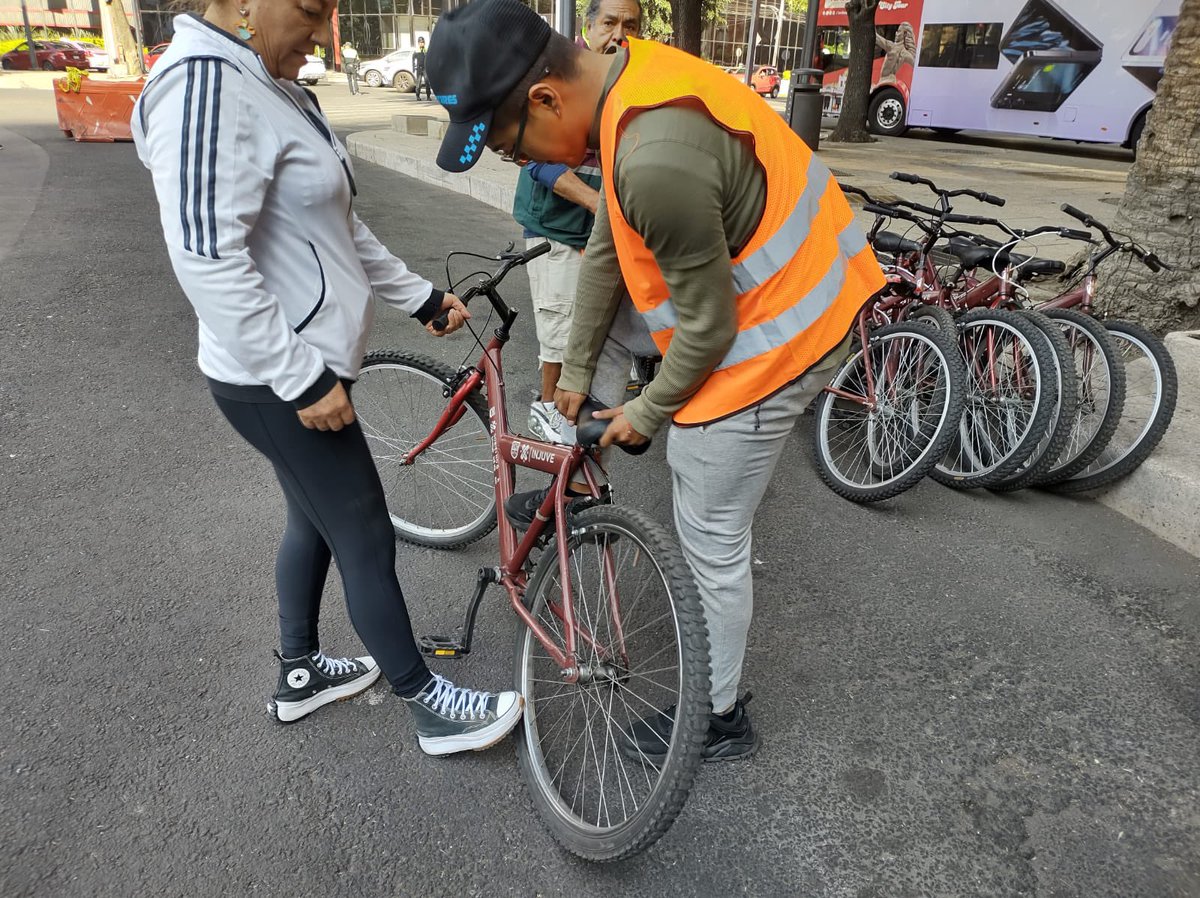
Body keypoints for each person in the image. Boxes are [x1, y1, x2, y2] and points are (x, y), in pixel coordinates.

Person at [427, 0, 882, 762]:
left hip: (783, 331)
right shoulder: (624, 87)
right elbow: (609, 239)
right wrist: (577, 374)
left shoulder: (653, 155)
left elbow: (709, 329)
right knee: (597, 341)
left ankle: (718, 715)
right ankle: (579, 471)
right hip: (749, 297)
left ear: (545, 99)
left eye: (511, 149)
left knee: (709, 524)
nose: (518, 163)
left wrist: (646, 411)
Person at [131, 0, 523, 756]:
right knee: (364, 532)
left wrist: (417, 297)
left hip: (296, 367)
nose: (322, 31)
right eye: (311, 9)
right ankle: (428, 704)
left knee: (312, 519)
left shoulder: (271, 83)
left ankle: (301, 672)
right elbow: (206, 258)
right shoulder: (205, 83)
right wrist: (302, 380)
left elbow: (336, 225)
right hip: (273, 378)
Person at [512, 0, 641, 443]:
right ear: (588, 27)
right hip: (554, 230)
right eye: (610, 22)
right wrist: (599, 210)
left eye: (630, 25)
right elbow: (536, 161)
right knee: (562, 331)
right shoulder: (558, 71)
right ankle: (549, 419)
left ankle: (567, 426)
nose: (620, 33)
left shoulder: (628, 79)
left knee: (589, 331)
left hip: (596, 230)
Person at [412, 36, 431, 100]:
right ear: (418, 43)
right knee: (418, 83)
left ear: (424, 43)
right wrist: (414, 68)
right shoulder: (416, 51)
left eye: (422, 42)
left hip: (425, 68)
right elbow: (413, 60)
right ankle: (417, 96)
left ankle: (428, 96)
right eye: (420, 42)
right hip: (419, 68)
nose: (421, 43)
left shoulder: (426, 50)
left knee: (427, 82)